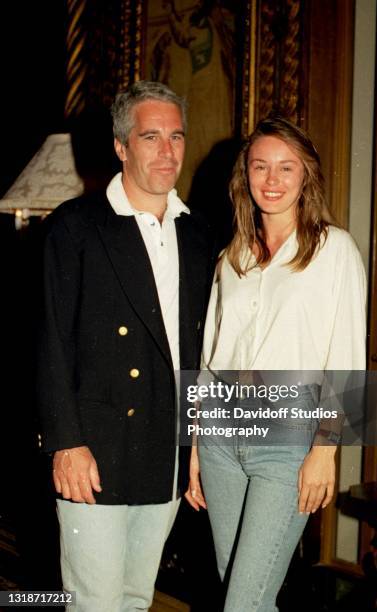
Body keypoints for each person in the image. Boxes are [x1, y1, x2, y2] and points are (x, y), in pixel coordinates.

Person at [37, 80, 214, 611]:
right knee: (93, 601)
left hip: (164, 453)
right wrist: (64, 443)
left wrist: (199, 445)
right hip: (95, 450)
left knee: (137, 599)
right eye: (151, 137)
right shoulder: (76, 227)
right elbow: (51, 342)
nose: (167, 152)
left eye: (177, 137)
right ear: (121, 146)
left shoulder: (199, 232)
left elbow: (199, 353)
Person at [185, 114, 366, 611]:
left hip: (287, 442)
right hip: (221, 436)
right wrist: (196, 444)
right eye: (261, 166)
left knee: (244, 601)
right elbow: (209, 361)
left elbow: (347, 363)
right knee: (244, 594)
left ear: (306, 175)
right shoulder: (232, 256)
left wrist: (325, 453)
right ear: (245, 174)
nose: (272, 180)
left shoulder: (334, 251)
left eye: (286, 168)